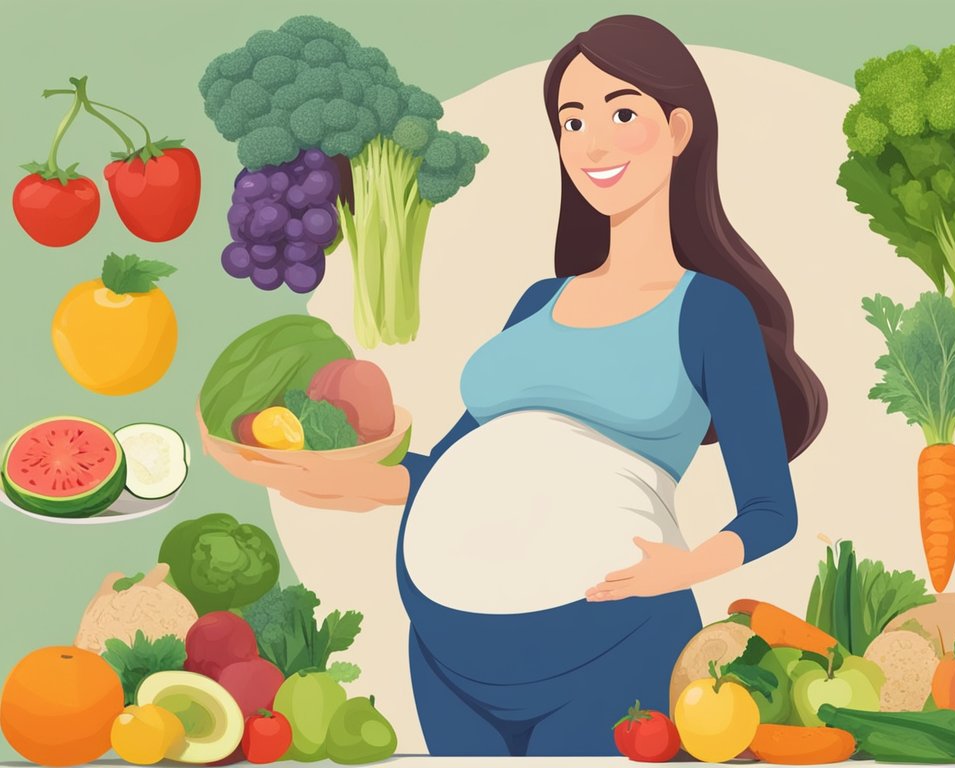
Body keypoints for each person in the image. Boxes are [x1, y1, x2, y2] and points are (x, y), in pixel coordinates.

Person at [253, 14, 826, 756]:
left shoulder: (711, 311)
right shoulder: (537, 301)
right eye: (572, 119)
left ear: (680, 129)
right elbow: (454, 465)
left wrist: (685, 567)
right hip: (443, 655)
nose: (593, 142)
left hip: (612, 650)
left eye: (623, 113)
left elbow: (771, 510)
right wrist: (344, 478)